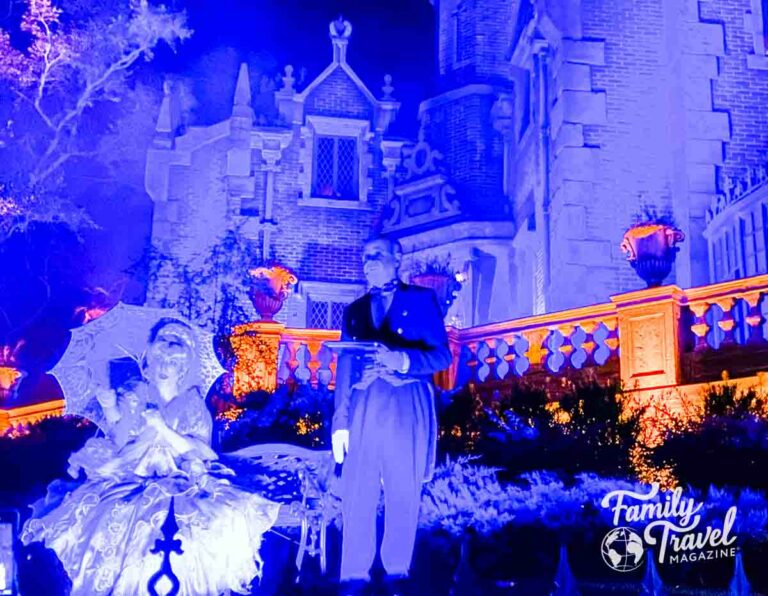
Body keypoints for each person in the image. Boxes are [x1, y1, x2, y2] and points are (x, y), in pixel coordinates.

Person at [22, 318, 282, 595]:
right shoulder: (135, 395)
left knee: (193, 528)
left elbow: (199, 451)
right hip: (133, 474)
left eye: (172, 360)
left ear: (183, 367)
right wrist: (111, 408)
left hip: (181, 477)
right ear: (150, 359)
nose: (164, 365)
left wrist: (161, 427)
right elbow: (122, 442)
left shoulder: (192, 404)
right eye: (160, 357)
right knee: (116, 520)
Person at [332, 237, 452, 595]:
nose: (367, 264)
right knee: (358, 490)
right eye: (364, 258)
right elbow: (345, 367)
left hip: (405, 404)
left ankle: (397, 573)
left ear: (396, 259)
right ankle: (354, 575)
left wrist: (402, 361)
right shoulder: (354, 311)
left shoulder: (420, 300)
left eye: (376, 257)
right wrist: (340, 421)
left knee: (403, 488)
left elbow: (441, 357)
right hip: (364, 406)